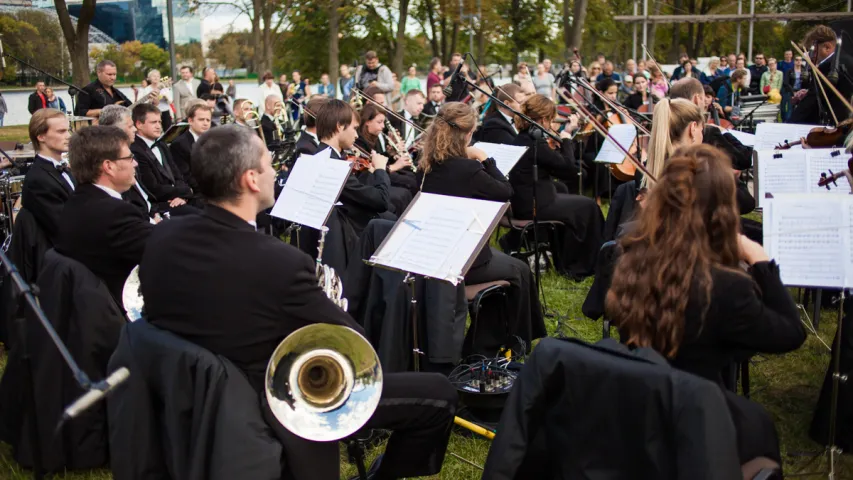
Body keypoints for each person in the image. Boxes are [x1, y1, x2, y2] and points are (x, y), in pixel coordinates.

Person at [139, 124, 457, 480]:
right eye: (268, 163)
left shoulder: (161, 236)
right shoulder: (279, 262)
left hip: (186, 395)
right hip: (273, 401)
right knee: (439, 394)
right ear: (251, 180)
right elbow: (352, 343)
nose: (276, 170)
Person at [606, 144, 805, 465]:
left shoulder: (632, 257)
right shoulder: (724, 286)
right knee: (759, 428)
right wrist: (761, 263)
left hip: (638, 403)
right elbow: (790, 333)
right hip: (697, 417)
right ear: (722, 210)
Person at [418, 101, 546, 354]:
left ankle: (494, 341)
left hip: (440, 250)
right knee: (520, 271)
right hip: (465, 258)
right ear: (466, 134)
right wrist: (485, 159)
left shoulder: (429, 163)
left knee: (515, 267)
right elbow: (506, 192)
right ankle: (515, 343)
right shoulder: (470, 168)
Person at [56, 125, 154, 308]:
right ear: (108, 166)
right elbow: (163, 248)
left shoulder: (78, 200)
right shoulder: (113, 213)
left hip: (86, 309)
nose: (136, 163)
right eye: (130, 157)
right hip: (115, 312)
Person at [510, 94, 604, 279]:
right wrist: (567, 138)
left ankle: (567, 259)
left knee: (572, 199)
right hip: (537, 206)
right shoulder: (536, 143)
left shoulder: (521, 138)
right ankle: (585, 263)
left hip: (529, 200)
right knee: (589, 206)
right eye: (551, 120)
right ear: (544, 120)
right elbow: (568, 169)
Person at [316, 99, 393, 231]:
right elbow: (381, 201)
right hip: (349, 232)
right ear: (339, 126)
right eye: (354, 128)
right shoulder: (333, 165)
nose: (357, 135)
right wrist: (380, 170)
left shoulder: (322, 155)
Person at [99, 105, 164, 218]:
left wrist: (155, 213)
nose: (135, 129)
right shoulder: (114, 160)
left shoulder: (130, 151)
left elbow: (145, 194)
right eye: (130, 126)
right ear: (115, 130)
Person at [22, 109, 74, 244]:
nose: (68, 136)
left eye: (68, 130)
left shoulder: (65, 169)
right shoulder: (38, 180)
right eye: (61, 131)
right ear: (41, 136)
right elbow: (63, 228)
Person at [130, 103, 194, 209]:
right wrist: (186, 191)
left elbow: (178, 175)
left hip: (178, 199)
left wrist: (183, 197)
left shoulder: (161, 144)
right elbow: (153, 188)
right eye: (153, 122)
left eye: (160, 122)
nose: (159, 126)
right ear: (139, 124)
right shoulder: (135, 150)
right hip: (160, 205)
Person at [355, 103, 414, 214]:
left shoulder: (373, 137)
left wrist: (389, 153)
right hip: (369, 182)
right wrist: (395, 166)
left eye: (383, 122)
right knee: (403, 193)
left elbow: (377, 159)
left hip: (378, 177)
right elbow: (369, 169)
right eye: (379, 122)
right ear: (367, 121)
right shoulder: (360, 141)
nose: (383, 127)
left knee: (410, 180)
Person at [789, 25, 853, 125]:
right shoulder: (848, 60)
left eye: (813, 52)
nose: (812, 57)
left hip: (836, 129)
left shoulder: (827, 66)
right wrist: (808, 92)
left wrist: (789, 123)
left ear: (827, 47)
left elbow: (810, 104)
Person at [170, 102, 213, 194]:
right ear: (190, 121)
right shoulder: (179, 144)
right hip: (197, 193)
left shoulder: (214, 140)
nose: (205, 123)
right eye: (201, 120)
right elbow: (185, 176)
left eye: (208, 120)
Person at [781, 55, 804, 122]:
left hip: (801, 91)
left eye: (800, 60)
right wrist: (793, 92)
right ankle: (788, 122)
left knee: (800, 109)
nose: (798, 61)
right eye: (797, 60)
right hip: (790, 91)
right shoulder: (789, 71)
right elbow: (786, 82)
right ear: (794, 61)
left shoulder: (804, 70)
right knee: (789, 109)